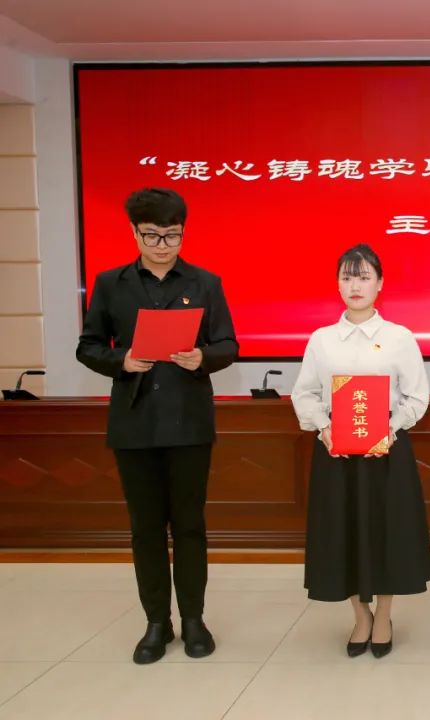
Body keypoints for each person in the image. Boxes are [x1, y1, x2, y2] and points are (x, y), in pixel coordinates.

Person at [76, 188, 238, 664]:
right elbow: (88, 346)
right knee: (145, 529)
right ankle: (156, 622)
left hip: (189, 423)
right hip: (135, 423)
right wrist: (122, 360)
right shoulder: (112, 283)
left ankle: (193, 619)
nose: (162, 244)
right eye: (152, 235)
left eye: (172, 235)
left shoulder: (205, 283)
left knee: (189, 525)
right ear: (134, 233)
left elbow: (228, 344)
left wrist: (202, 357)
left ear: (183, 232)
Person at [291, 243, 430, 659]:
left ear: (380, 284)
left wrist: (390, 428)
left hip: (387, 451)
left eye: (364, 277)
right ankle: (360, 615)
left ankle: (384, 615)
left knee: (387, 532)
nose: (355, 285)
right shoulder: (321, 340)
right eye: (347, 277)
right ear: (338, 284)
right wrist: (323, 428)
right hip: (335, 452)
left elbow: (417, 396)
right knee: (342, 533)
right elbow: (305, 393)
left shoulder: (399, 338)